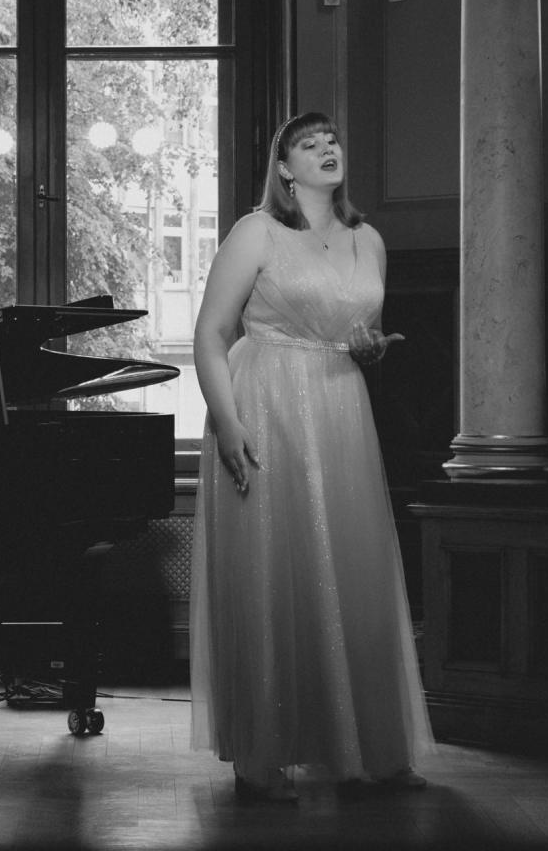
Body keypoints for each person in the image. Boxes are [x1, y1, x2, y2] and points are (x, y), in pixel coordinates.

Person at [188, 111, 434, 803]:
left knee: (354, 570)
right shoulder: (257, 231)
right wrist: (227, 423)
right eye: (309, 143)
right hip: (264, 400)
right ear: (284, 169)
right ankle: (262, 758)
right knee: (270, 571)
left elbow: (358, 333)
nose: (328, 148)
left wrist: (369, 349)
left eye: (333, 140)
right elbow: (210, 332)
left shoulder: (368, 239)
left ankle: (371, 750)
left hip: (341, 404)